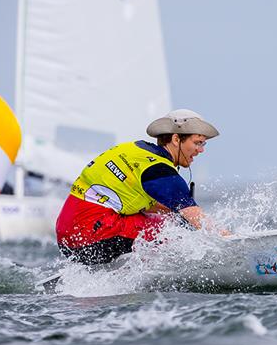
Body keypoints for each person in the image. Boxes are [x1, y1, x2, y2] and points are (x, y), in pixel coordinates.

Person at [55, 109, 221, 265]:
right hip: (91, 237)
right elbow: (197, 218)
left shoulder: (135, 150)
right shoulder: (160, 170)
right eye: (197, 143)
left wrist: (178, 214)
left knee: (171, 220)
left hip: (68, 237)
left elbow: (149, 204)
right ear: (176, 139)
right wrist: (230, 241)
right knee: (171, 230)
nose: (201, 150)